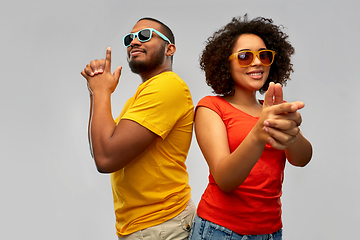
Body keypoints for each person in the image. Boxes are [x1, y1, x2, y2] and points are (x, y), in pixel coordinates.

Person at [189, 15, 313, 240]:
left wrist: (292, 135)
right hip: (220, 231)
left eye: (263, 56)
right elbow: (225, 180)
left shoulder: (275, 108)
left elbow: (301, 159)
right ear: (225, 63)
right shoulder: (211, 107)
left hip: (270, 232)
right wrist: (260, 132)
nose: (257, 62)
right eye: (245, 56)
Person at [81, 17, 196, 239]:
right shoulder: (139, 97)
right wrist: (96, 92)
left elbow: (106, 159)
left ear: (169, 48)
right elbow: (100, 148)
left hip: (162, 225)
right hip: (145, 227)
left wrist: (102, 92)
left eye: (144, 35)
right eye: (130, 38)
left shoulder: (167, 85)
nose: (134, 42)